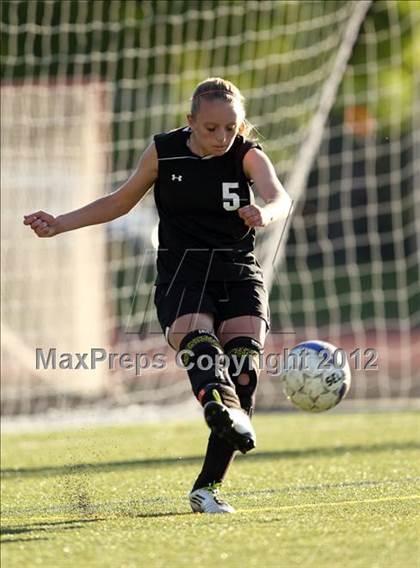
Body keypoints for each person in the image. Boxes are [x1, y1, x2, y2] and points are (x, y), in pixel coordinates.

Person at [24, 77, 291, 514]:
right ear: (190, 122)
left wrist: (266, 211)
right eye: (211, 128)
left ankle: (207, 487)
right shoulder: (164, 151)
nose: (222, 137)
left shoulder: (247, 155)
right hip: (183, 278)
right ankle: (216, 409)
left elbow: (280, 196)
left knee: (243, 375)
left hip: (239, 276)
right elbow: (120, 201)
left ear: (240, 127)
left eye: (231, 128)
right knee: (203, 350)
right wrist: (61, 223)